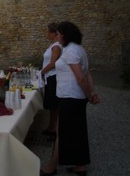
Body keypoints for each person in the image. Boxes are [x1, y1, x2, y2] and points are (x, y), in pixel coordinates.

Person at [40, 21, 100, 176]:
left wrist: (90, 95)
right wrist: (91, 93)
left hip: (71, 97)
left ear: (65, 35)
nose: (57, 36)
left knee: (63, 133)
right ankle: (80, 165)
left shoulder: (71, 51)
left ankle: (51, 167)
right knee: (77, 131)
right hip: (74, 97)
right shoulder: (78, 49)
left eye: (59, 34)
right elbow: (87, 73)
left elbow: (81, 77)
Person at [41, 22, 62, 137]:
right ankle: (51, 127)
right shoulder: (53, 45)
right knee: (51, 105)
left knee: (53, 104)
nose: (46, 34)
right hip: (50, 76)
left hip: (53, 77)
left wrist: (42, 72)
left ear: (54, 33)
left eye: (48, 31)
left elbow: (53, 63)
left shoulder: (56, 46)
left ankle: (54, 129)